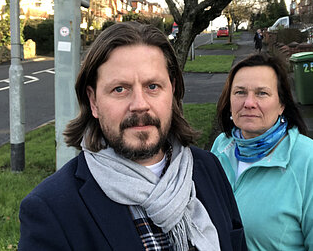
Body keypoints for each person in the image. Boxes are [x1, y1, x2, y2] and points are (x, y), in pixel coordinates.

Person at [19, 22, 247, 251]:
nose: (140, 105)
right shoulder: (52, 210)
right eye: (120, 89)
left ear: (173, 92)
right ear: (94, 101)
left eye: (153, 86)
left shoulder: (209, 169)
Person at [211, 53, 313, 250]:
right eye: (240, 92)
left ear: (282, 104)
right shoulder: (220, 147)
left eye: (262, 93)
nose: (249, 102)